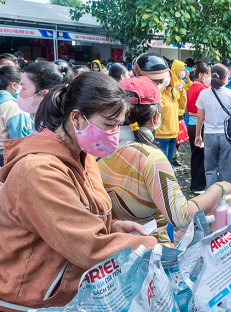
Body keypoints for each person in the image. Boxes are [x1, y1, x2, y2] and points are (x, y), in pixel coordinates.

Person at [0, 72, 157, 311]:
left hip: (69, 293)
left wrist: (112, 227)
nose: (114, 134)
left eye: (118, 125)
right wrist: (151, 247)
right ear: (77, 118)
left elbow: (81, 215)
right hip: (31, 300)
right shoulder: (39, 170)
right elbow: (88, 246)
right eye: (108, 124)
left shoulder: (83, 157)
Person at [98, 75, 231, 242]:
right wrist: (218, 188)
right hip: (149, 253)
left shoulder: (96, 149)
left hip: (113, 251)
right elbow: (182, 216)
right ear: (155, 117)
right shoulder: (150, 158)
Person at [133, 53, 187, 163]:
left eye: (166, 76)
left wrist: (182, 92)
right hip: (158, 134)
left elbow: (182, 106)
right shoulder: (155, 91)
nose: (163, 80)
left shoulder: (173, 91)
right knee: (159, 162)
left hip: (172, 132)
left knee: (168, 162)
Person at [195, 64, 231, 188]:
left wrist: (197, 135)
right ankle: (226, 197)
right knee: (227, 170)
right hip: (227, 135)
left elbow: (199, 117)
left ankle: (211, 198)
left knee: (210, 170)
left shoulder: (203, 94)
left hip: (209, 134)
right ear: (225, 78)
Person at [17, 61, 70, 133]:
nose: (19, 94)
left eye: (23, 88)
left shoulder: (53, 126)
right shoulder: (43, 116)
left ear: (44, 93)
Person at [186, 63, 211, 192]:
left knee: (196, 155)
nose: (209, 77)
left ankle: (194, 184)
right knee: (202, 156)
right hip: (199, 124)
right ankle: (199, 185)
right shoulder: (202, 89)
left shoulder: (192, 87)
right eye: (208, 75)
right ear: (201, 75)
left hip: (191, 123)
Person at [0, 66, 31, 166]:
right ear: (14, 85)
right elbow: (18, 141)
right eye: (22, 84)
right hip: (6, 159)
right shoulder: (14, 107)